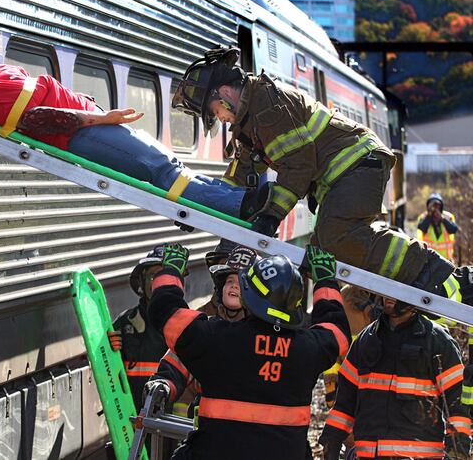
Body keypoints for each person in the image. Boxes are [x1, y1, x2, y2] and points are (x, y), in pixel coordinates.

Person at [172, 45, 473, 302]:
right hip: (345, 172)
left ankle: (436, 274)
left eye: (214, 111)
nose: (219, 119)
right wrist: (200, 208)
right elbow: (238, 178)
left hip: (356, 163)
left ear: (225, 93)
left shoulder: (267, 106)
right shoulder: (248, 122)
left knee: (335, 239)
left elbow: (299, 164)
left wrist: (272, 214)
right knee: (317, 255)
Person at [0, 53, 270, 220]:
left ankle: (237, 198)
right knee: (161, 170)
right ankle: (240, 205)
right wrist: (101, 117)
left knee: (167, 167)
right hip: (80, 137)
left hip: (88, 129)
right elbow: (37, 121)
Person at [146, 243, 350, 459]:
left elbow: (166, 312)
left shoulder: (218, 339)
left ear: (247, 296)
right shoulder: (307, 349)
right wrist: (325, 280)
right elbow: (336, 333)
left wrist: (170, 271)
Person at [318, 295, 471, 460]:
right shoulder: (366, 340)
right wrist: (331, 442)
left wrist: (457, 451)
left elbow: (457, 403)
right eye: (387, 291)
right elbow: (344, 404)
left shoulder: (436, 341)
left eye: (397, 292)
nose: (389, 297)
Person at [144, 245, 256, 418]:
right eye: (229, 281)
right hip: (207, 426)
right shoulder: (209, 328)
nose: (233, 287)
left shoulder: (261, 335)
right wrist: (163, 384)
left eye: (241, 283)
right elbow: (178, 361)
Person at [106, 245, 184, 411]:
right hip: (131, 416)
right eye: (154, 276)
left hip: (171, 421)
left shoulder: (188, 324)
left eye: (166, 275)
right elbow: (107, 373)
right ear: (141, 281)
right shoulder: (125, 322)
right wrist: (107, 349)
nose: (160, 282)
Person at [417, 192, 459, 263]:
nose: (435, 208)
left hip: (446, 260)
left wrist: (442, 218)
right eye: (433, 205)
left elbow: (453, 229)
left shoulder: (448, 217)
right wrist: (429, 215)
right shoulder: (424, 217)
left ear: (441, 206)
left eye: (437, 205)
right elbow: (422, 228)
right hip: (429, 259)